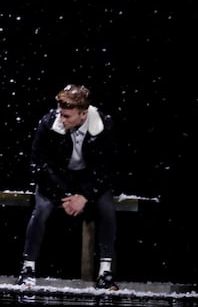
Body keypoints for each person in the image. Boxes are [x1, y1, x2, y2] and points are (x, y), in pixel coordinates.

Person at [16, 84, 120, 290]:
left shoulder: (103, 126)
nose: (62, 120)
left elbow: (108, 168)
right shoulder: (48, 123)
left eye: (67, 116)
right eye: (60, 114)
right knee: (42, 209)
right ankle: (27, 269)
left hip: (89, 180)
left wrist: (85, 195)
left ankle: (105, 272)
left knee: (106, 208)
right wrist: (64, 194)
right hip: (57, 179)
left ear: (83, 114)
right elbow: (38, 164)